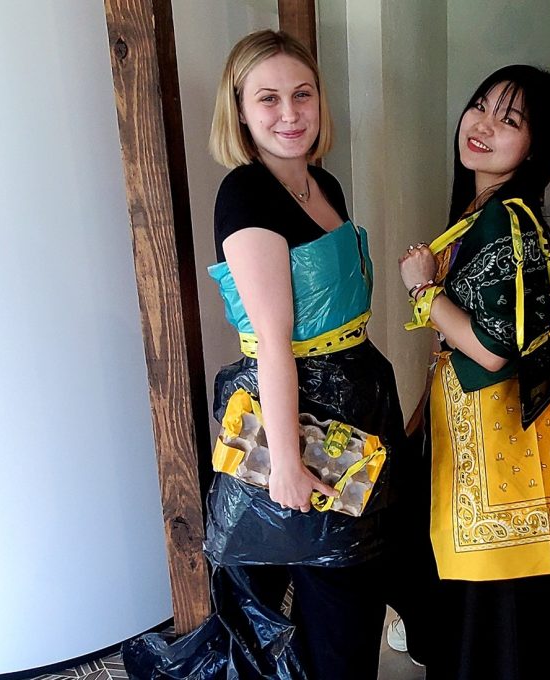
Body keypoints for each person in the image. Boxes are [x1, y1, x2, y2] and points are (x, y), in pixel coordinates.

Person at [124, 30, 404, 680]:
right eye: (268, 98)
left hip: (354, 405)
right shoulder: (245, 195)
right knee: (331, 603)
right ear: (241, 111)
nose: (289, 113)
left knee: (352, 594)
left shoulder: (321, 180)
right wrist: (284, 465)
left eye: (302, 94)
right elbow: (275, 345)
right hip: (298, 418)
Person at [396, 64, 550, 680]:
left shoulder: (508, 219)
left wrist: (422, 293)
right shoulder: (484, 210)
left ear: (535, 146)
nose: (484, 125)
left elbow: (492, 348)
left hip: (494, 432)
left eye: (509, 120)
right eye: (482, 106)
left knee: (496, 580)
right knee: (497, 581)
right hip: (486, 422)